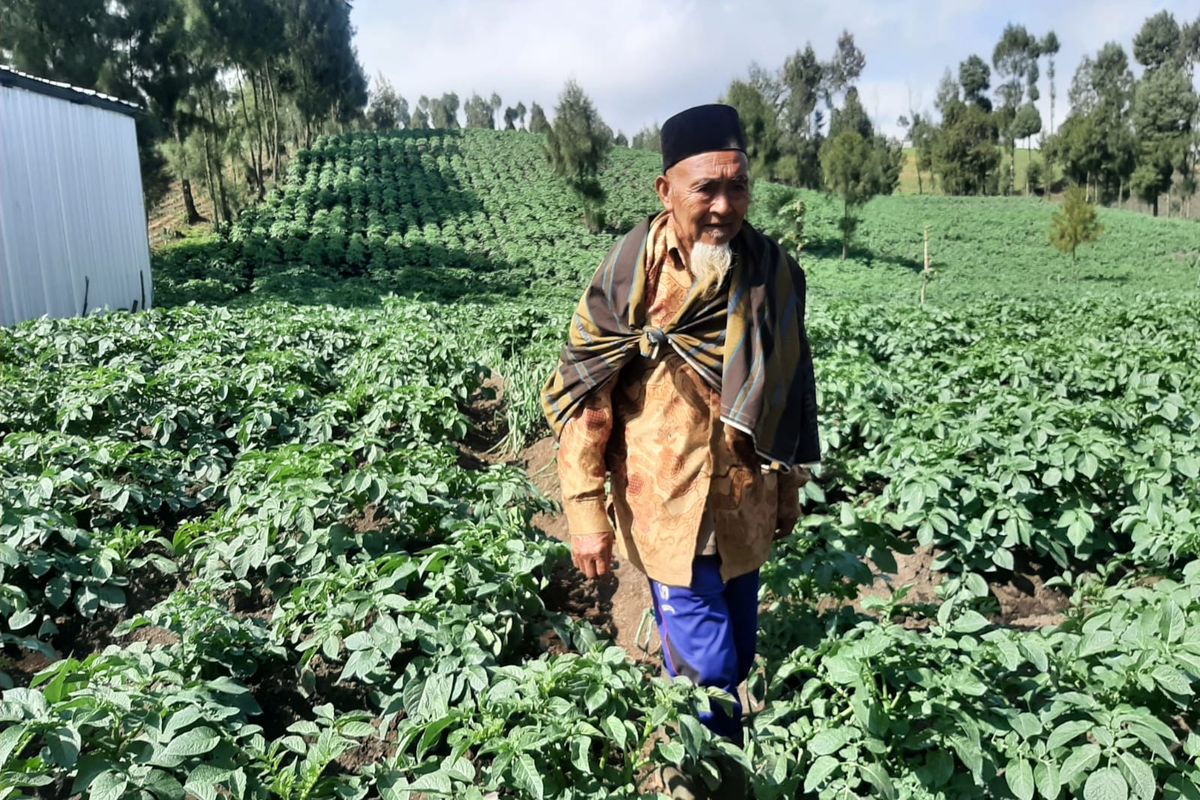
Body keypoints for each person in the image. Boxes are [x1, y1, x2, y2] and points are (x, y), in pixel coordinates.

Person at [541, 104, 820, 796]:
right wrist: (585, 512)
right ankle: (706, 780)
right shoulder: (632, 273)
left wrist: (786, 489)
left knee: (738, 654)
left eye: (738, 186)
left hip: (743, 506)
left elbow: (785, 391)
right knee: (711, 672)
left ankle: (692, 739)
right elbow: (588, 396)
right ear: (666, 191)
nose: (725, 206)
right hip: (665, 505)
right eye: (707, 189)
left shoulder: (771, 273)